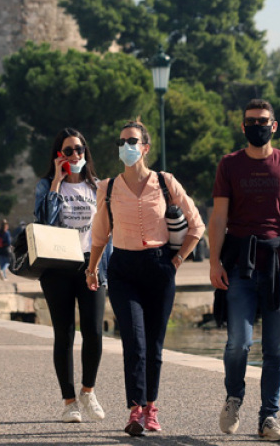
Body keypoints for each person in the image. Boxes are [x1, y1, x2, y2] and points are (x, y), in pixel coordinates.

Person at [87, 119, 205, 436]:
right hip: (123, 270)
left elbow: (197, 226)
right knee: (134, 342)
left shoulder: (166, 183)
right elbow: (99, 235)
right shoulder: (107, 188)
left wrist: (177, 260)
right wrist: (92, 268)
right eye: (122, 141)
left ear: (145, 147)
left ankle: (151, 407)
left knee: (154, 344)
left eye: (133, 141)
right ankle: (135, 410)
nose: (127, 146)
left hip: (159, 267)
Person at [210, 99, 280, 442]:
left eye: (263, 120)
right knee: (238, 342)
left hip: (279, 267)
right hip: (240, 264)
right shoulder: (229, 164)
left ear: (274, 125)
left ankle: (268, 418)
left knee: (275, 349)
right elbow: (219, 217)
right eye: (251, 121)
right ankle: (234, 397)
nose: (257, 125)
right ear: (243, 127)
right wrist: (213, 262)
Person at [33, 127, 107, 425]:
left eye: (79, 149)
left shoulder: (98, 187)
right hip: (58, 265)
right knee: (63, 335)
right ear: (58, 156)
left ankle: (88, 390)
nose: (75, 155)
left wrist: (104, 266)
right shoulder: (46, 186)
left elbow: (107, 230)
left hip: (91, 265)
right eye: (68, 151)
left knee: (94, 332)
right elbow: (44, 222)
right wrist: (56, 183)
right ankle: (69, 402)